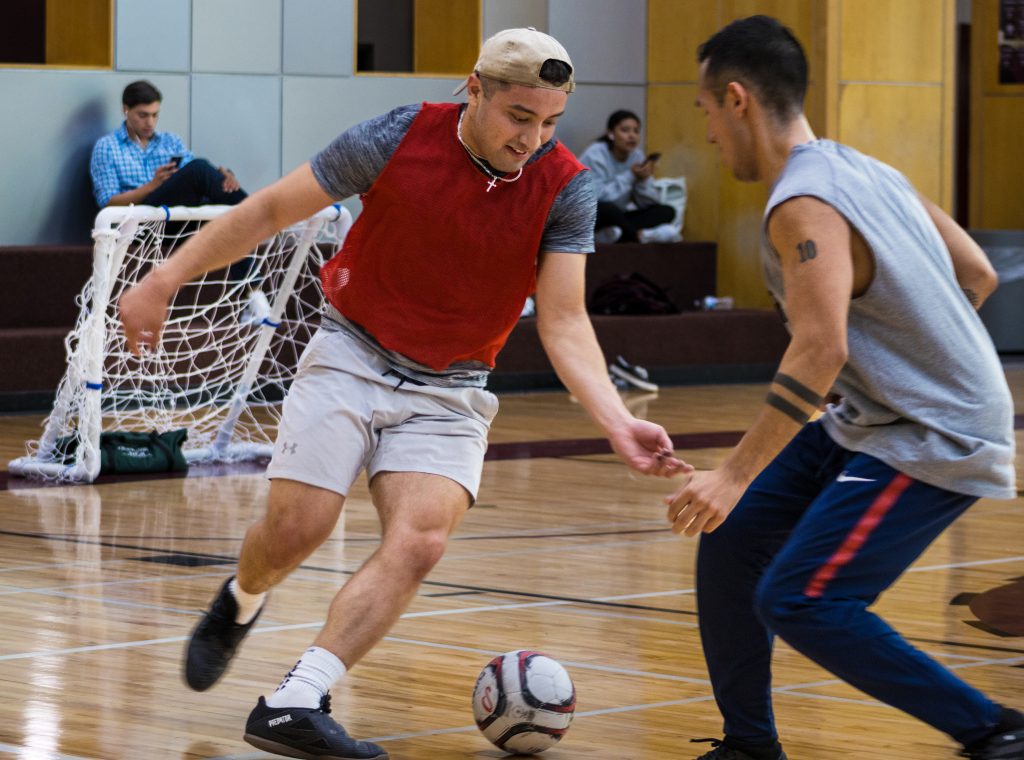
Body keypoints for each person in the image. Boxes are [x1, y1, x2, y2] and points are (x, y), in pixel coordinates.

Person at [119, 28, 687, 760]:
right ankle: (243, 597)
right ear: (474, 88)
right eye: (519, 117)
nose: (533, 139)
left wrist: (616, 421)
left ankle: (298, 698)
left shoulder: (567, 184)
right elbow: (268, 212)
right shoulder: (397, 135)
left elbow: (566, 318)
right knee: (299, 529)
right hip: (352, 351)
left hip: (451, 386)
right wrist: (165, 279)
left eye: (549, 122)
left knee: (421, 537)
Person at [666, 15, 1022, 760]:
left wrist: (732, 474)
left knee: (805, 599)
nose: (706, 133)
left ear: (737, 100)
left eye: (703, 111)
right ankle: (749, 746)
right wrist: (914, 348)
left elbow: (820, 347)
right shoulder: (867, 170)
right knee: (732, 540)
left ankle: (997, 731)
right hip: (880, 414)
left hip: (932, 431)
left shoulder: (803, 203)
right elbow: (978, 275)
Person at [89, 80, 247, 209]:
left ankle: (254, 217)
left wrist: (223, 176)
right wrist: (152, 186)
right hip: (138, 223)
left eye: (155, 115)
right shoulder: (108, 147)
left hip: (174, 218)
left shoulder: (170, 141)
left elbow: (198, 178)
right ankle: (258, 215)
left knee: (206, 180)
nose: (150, 122)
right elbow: (108, 202)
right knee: (199, 168)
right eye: (143, 115)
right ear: (126, 110)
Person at [578, 109, 680, 244]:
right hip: (589, 214)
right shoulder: (595, 154)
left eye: (636, 131)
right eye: (625, 130)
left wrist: (642, 180)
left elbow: (648, 203)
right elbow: (597, 198)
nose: (632, 136)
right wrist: (630, 176)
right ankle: (638, 236)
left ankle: (613, 234)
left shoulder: (637, 156)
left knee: (667, 211)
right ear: (611, 133)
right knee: (608, 210)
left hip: (619, 216)